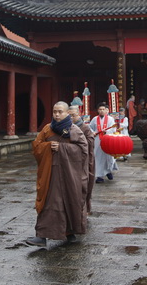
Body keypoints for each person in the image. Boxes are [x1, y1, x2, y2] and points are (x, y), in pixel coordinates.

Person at [26, 101, 89, 247]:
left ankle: (70, 231)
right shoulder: (48, 129)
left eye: (60, 112)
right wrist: (48, 147)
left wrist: (62, 148)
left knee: (70, 200)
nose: (57, 114)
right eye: (54, 111)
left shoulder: (74, 130)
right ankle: (42, 236)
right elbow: (36, 147)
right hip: (51, 173)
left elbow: (83, 150)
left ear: (67, 113)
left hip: (69, 174)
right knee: (49, 203)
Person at [68, 105, 95, 213]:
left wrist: (77, 140)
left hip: (84, 160)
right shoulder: (67, 127)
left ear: (78, 115)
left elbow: (90, 142)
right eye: (68, 115)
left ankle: (84, 208)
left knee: (84, 185)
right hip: (70, 159)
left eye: (73, 115)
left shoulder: (84, 127)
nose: (71, 118)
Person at [90, 102, 117, 183]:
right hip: (97, 140)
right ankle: (99, 176)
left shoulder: (110, 119)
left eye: (103, 109)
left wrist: (107, 131)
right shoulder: (95, 119)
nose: (101, 111)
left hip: (107, 139)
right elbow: (90, 127)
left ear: (106, 111)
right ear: (98, 111)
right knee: (98, 157)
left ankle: (108, 171)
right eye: (100, 109)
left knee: (108, 157)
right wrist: (93, 132)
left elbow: (113, 129)